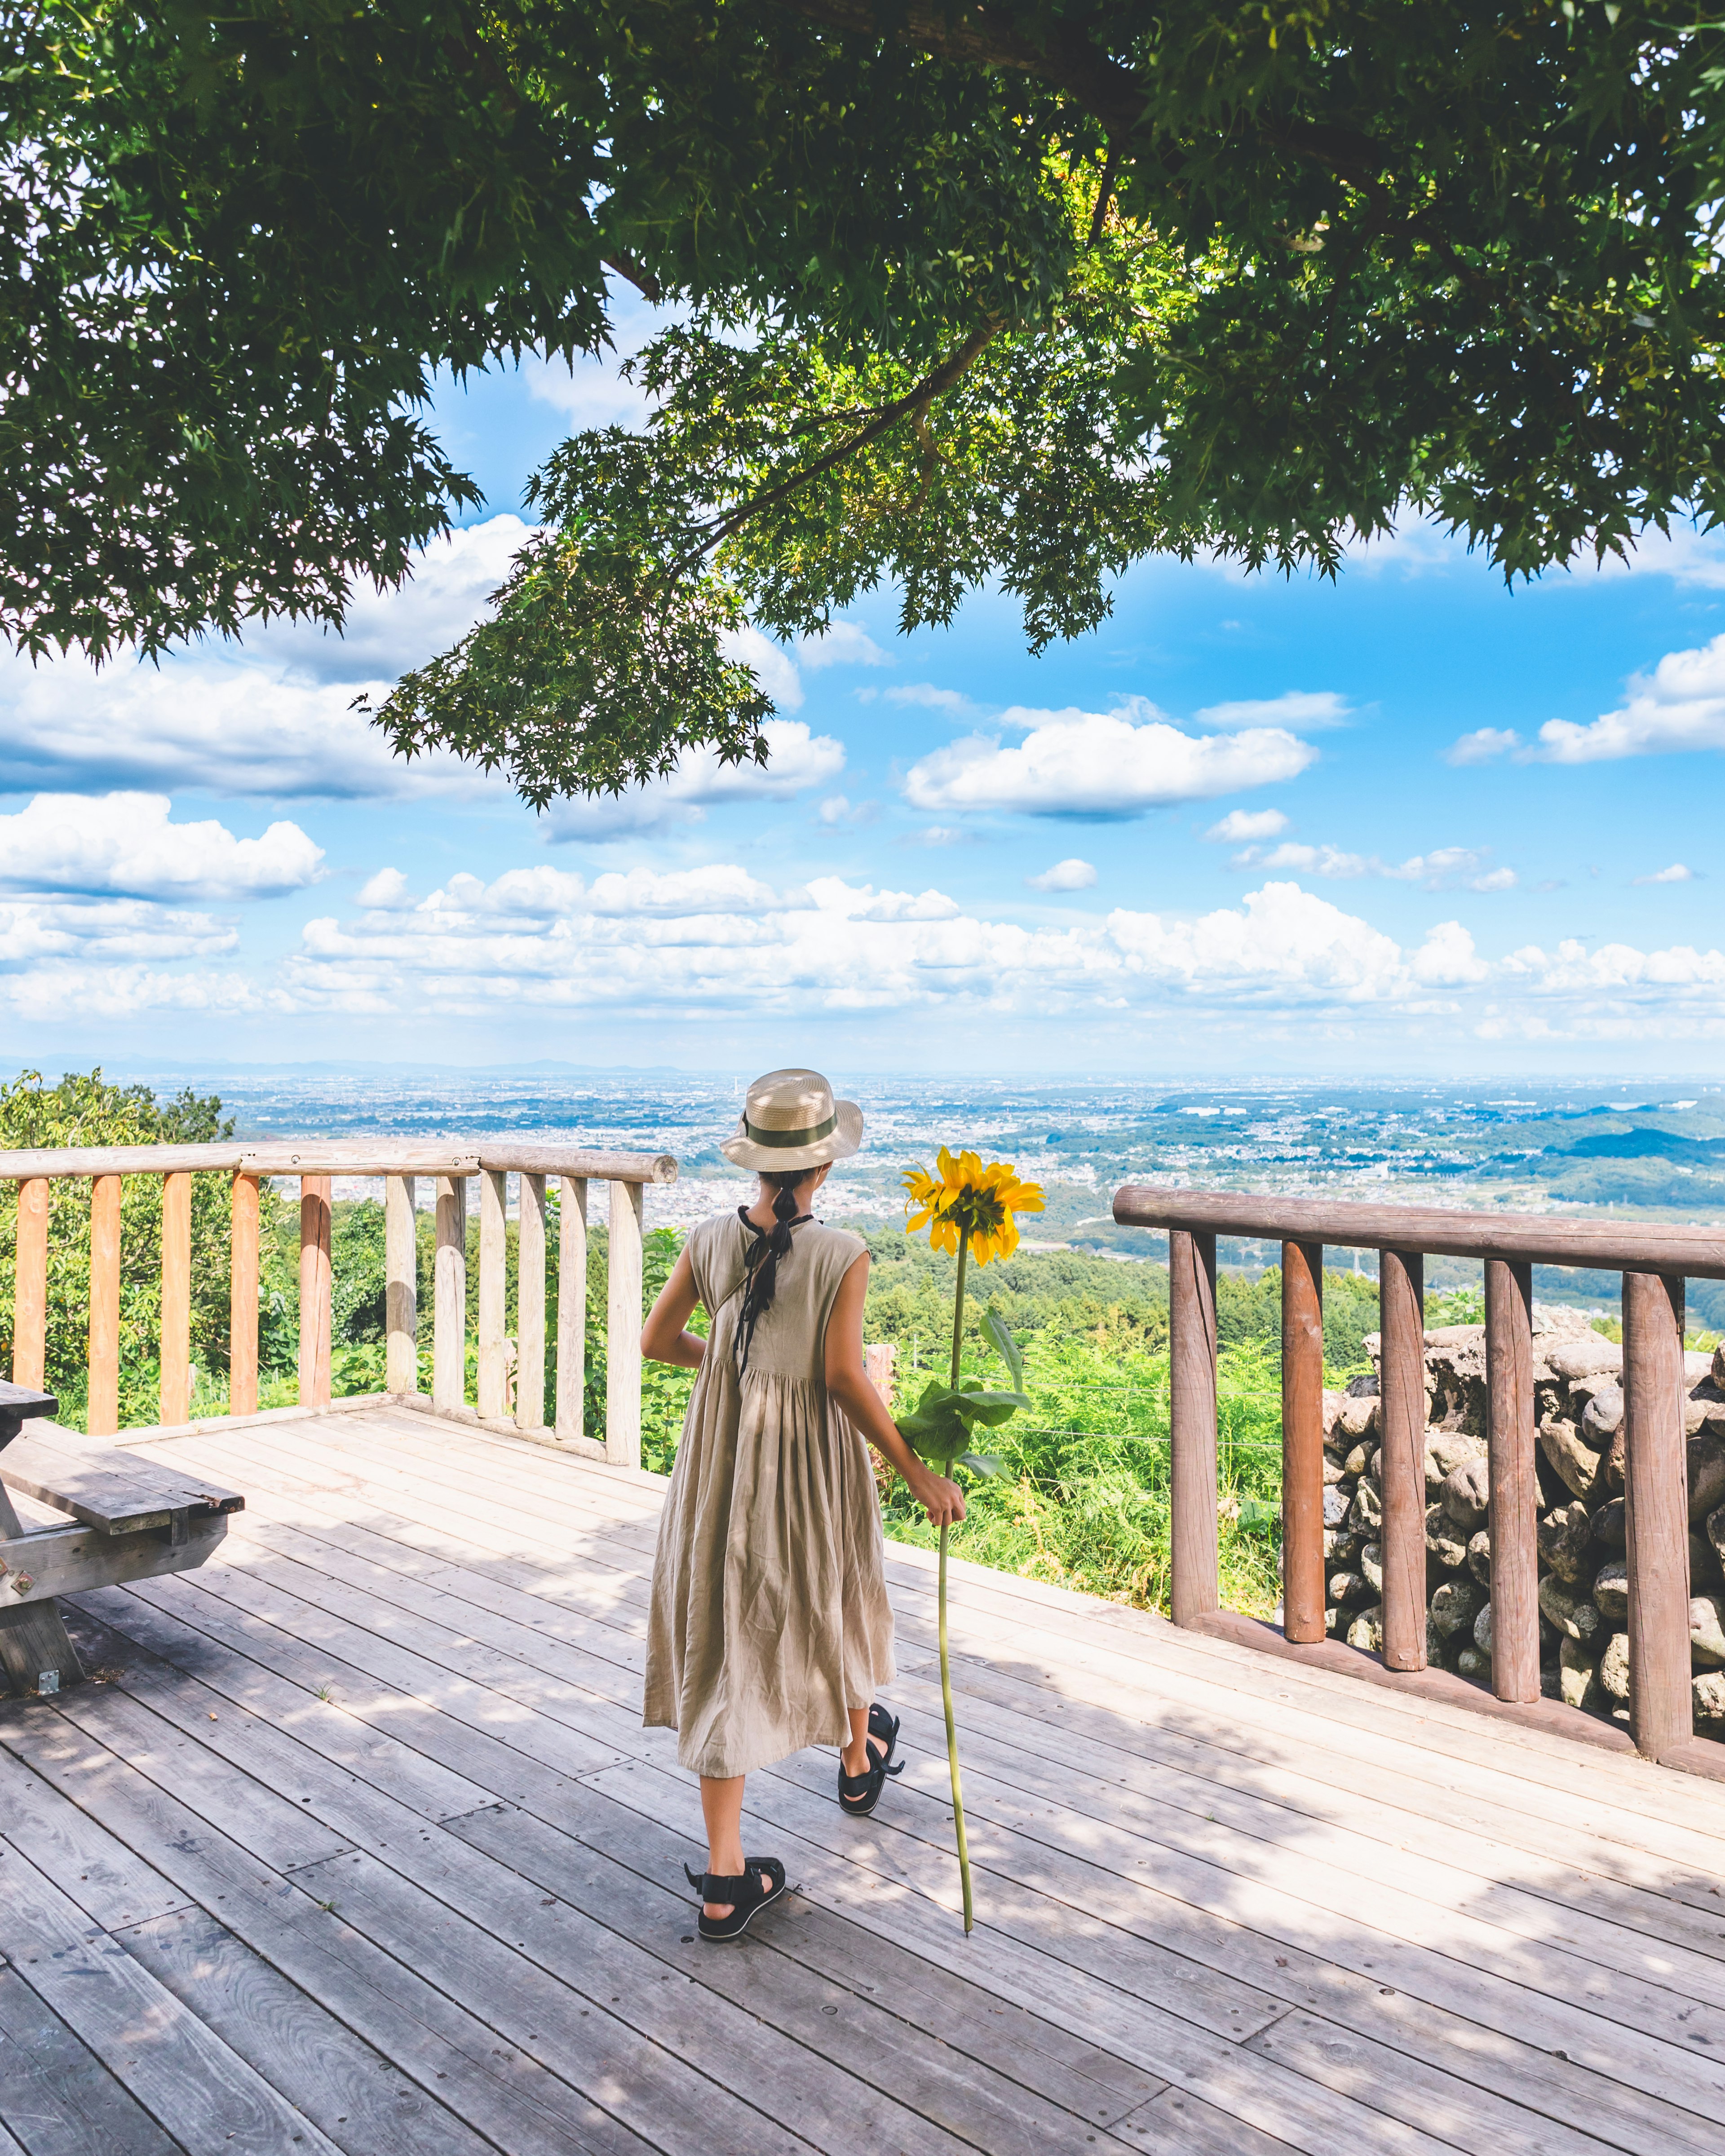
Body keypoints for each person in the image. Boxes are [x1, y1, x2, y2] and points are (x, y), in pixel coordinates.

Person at [640, 1067, 966, 1941]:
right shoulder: (841, 1252)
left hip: (720, 1465)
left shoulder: (708, 1240)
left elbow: (656, 1340)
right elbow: (841, 1377)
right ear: (823, 1170)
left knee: (725, 1640)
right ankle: (858, 1764)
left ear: (755, 1162)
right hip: (811, 1464)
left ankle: (724, 1878)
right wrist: (916, 1471)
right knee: (837, 1586)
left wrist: (729, 1368)